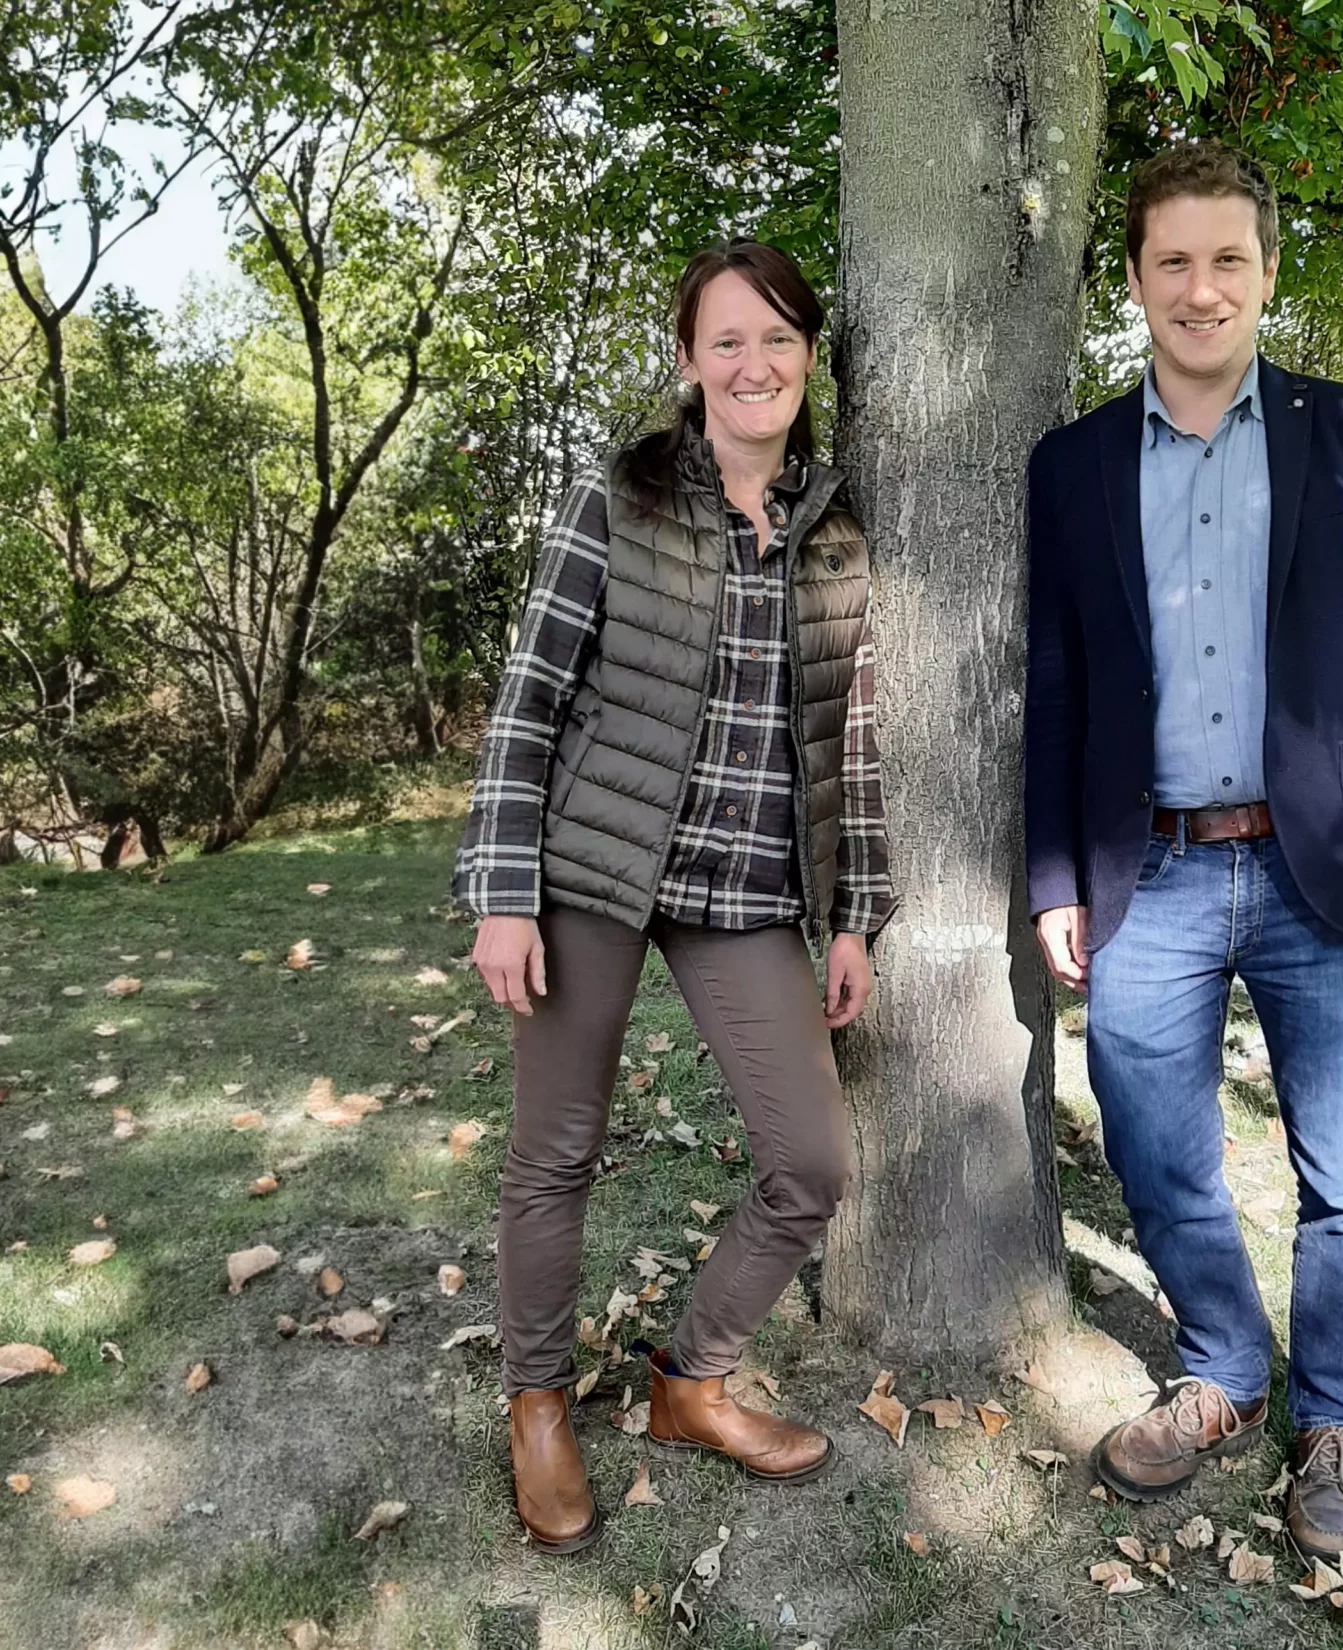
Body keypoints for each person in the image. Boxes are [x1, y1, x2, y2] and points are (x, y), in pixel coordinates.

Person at [1022, 141, 1343, 1559]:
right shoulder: (1075, 465)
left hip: (1319, 871)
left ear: (1268, 273)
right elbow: (1058, 684)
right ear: (1135, 280)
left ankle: (1335, 1418)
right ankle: (1220, 1365)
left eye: (1227, 259)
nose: (1200, 288)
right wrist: (1052, 877)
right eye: (1173, 261)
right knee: (1155, 1149)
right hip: (1143, 871)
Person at [451, 241, 895, 1554]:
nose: (755, 364)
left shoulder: (836, 531)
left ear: (807, 355)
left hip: (745, 885)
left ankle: (691, 1381)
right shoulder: (618, 497)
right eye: (726, 341)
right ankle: (537, 1401)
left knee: (812, 1160)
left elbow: (852, 743)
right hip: (591, 866)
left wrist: (855, 912)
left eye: (778, 338)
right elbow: (529, 698)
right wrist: (502, 891)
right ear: (691, 361)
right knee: (556, 1150)